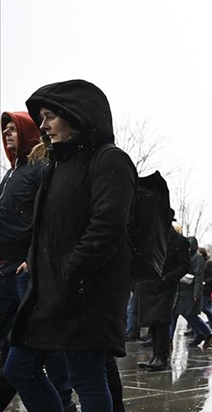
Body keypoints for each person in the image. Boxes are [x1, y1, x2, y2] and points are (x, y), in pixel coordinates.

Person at [5, 80, 137, 411]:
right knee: (19, 368)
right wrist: (34, 262)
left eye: (50, 116)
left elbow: (107, 227)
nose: (43, 126)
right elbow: (47, 228)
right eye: (41, 118)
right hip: (46, 292)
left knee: (87, 378)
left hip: (84, 293)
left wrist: (71, 272)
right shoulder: (56, 165)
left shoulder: (109, 160)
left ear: (75, 115)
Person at [0, 111, 75, 411]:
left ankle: (64, 400)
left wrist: (34, 258)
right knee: (17, 353)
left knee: (42, 345)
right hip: (7, 269)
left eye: (12, 129)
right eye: (3, 130)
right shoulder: (11, 173)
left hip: (26, 270)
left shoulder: (40, 168)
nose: (7, 134)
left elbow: (47, 219)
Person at [136, 218, 191, 371]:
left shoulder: (180, 241)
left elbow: (184, 266)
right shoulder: (150, 238)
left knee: (161, 321)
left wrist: (166, 279)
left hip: (165, 285)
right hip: (148, 285)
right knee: (152, 321)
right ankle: (155, 355)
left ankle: (162, 357)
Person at [172, 233, 212, 348]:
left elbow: (199, 277)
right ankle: (202, 333)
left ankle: (206, 333)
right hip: (181, 291)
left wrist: (196, 294)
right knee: (183, 315)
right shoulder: (185, 256)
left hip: (189, 292)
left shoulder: (197, 259)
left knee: (190, 315)